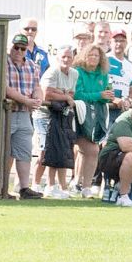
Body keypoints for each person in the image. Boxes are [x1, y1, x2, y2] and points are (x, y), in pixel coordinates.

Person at [34, 45, 78, 198]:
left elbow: (72, 92)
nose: (66, 59)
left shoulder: (74, 73)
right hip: (44, 115)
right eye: (63, 57)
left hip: (60, 115)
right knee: (44, 151)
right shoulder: (52, 71)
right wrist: (64, 96)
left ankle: (56, 186)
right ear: (57, 58)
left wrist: (60, 93)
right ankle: (36, 184)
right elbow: (47, 94)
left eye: (69, 57)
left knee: (60, 149)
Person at [6, 34, 43, 199]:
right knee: (5, 151)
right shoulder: (3, 63)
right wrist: (27, 100)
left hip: (24, 114)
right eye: (16, 47)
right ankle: (2, 187)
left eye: (23, 48)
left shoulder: (33, 66)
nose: (19, 51)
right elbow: (5, 88)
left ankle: (24, 187)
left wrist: (38, 98)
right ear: (11, 47)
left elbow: (37, 86)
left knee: (24, 151)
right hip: (7, 112)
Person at [73, 43, 112, 197]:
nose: (94, 58)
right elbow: (78, 95)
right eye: (91, 55)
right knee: (89, 150)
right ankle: (79, 185)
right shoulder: (78, 72)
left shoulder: (103, 73)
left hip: (96, 116)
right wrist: (99, 95)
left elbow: (104, 95)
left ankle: (84, 186)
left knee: (91, 151)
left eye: (97, 55)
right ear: (84, 56)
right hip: (78, 114)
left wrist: (107, 97)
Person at [107, 29, 132, 124]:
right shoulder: (104, 59)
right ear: (110, 42)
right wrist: (112, 99)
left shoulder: (130, 65)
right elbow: (98, 84)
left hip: (123, 111)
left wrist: (129, 100)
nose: (119, 44)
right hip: (106, 108)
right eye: (116, 41)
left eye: (122, 41)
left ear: (126, 43)